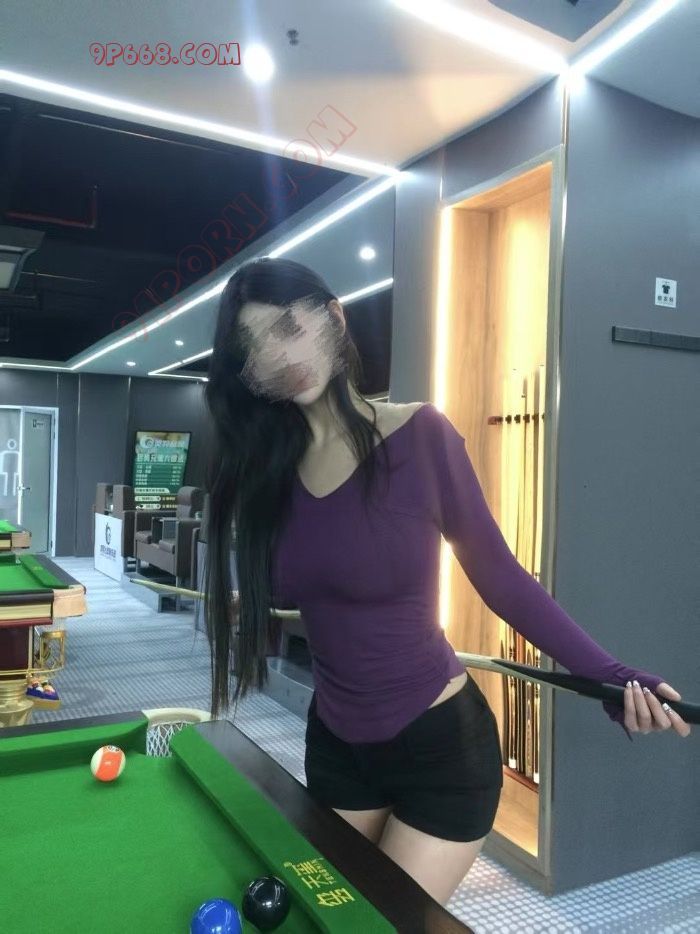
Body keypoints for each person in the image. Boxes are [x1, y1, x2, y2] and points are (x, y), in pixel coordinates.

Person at [202, 257, 690, 906]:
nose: (281, 353)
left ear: (333, 317)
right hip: (336, 744)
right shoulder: (270, 477)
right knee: (336, 914)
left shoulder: (420, 436)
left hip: (439, 748)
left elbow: (502, 578)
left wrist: (612, 676)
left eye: (290, 325)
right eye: (257, 342)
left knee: (387, 922)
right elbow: (327, 595)